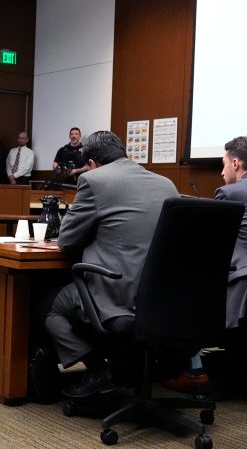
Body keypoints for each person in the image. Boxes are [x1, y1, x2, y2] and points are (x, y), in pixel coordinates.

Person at [43, 131, 179, 398]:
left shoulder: (93, 180)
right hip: (163, 300)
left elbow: (66, 241)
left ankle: (97, 372)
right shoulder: (166, 184)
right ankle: (126, 367)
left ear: (92, 163)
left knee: (47, 304)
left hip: (118, 293)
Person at [163, 136, 247, 391]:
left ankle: (193, 370)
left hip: (244, 286)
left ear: (236, 163)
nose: (221, 171)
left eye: (223, 164)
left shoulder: (231, 193)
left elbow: (210, 245)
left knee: (183, 286)